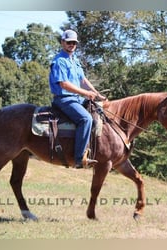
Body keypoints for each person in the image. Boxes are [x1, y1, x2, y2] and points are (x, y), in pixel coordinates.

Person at [49, 29, 106, 169]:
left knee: (98, 111)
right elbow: (64, 84)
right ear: (62, 42)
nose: (71, 45)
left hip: (76, 99)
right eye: (68, 42)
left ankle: (93, 150)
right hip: (64, 99)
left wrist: (96, 94)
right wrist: (85, 94)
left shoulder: (75, 61)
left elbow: (83, 80)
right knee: (85, 119)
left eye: (74, 42)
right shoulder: (59, 61)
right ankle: (79, 158)